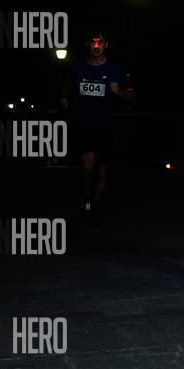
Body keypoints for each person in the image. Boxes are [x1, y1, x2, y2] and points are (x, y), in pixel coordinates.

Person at [61, 31, 135, 227]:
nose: (96, 46)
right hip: (84, 125)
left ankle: (94, 204)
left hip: (106, 127)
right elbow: (68, 84)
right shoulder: (77, 68)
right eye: (93, 42)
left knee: (102, 174)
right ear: (87, 44)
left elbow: (132, 97)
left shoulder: (116, 70)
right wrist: (65, 97)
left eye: (100, 42)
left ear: (105, 45)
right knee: (87, 167)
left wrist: (119, 91)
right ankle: (86, 201)